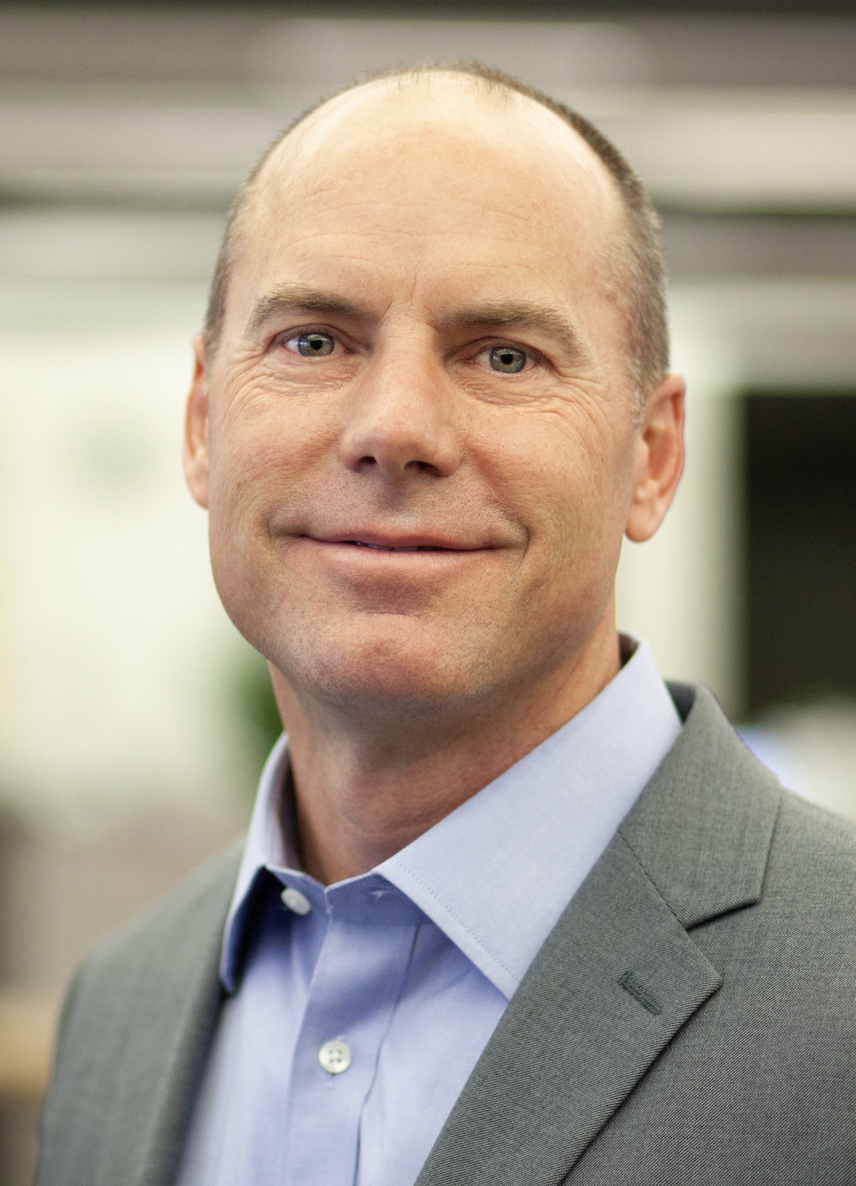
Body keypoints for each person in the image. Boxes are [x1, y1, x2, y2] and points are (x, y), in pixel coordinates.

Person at [37, 64, 856, 1186]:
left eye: (504, 355)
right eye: (313, 341)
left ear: (652, 458)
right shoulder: (120, 1011)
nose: (394, 428)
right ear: (200, 423)